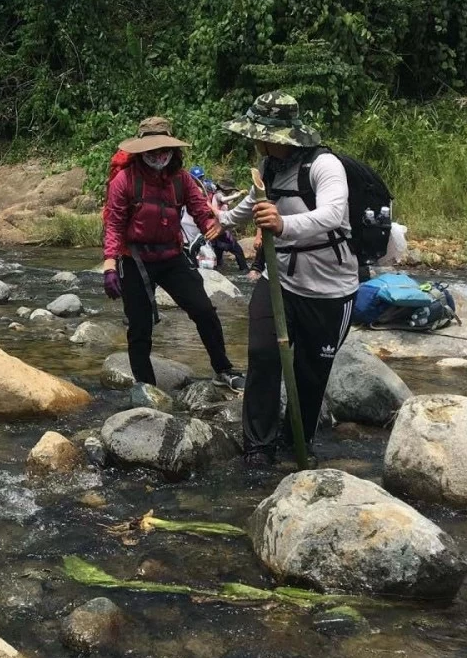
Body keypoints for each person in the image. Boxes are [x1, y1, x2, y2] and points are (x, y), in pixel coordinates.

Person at [219, 92, 359, 469]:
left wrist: (283, 225)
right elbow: (255, 202)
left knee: (310, 372)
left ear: (278, 134)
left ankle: (298, 440)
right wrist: (221, 223)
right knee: (264, 357)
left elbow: (332, 214)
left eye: (259, 134)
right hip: (278, 277)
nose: (255, 140)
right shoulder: (268, 165)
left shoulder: (325, 165)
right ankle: (257, 448)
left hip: (330, 287)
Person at [102, 117, 245, 391]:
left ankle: (223, 370)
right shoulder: (124, 180)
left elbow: (200, 211)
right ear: (141, 151)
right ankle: (146, 387)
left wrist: (217, 229)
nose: (158, 156)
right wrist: (110, 264)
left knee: (204, 310)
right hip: (136, 260)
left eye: (163, 149)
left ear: (172, 150)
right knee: (139, 327)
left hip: (171, 257)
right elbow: (114, 223)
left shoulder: (182, 179)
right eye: (152, 151)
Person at [208, 178, 251, 274]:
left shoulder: (220, 196)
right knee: (238, 250)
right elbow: (224, 200)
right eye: (230, 190)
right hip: (221, 228)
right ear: (225, 188)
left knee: (218, 251)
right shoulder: (218, 195)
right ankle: (244, 269)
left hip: (219, 228)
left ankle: (218, 270)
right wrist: (238, 194)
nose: (231, 191)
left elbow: (226, 202)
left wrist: (236, 197)